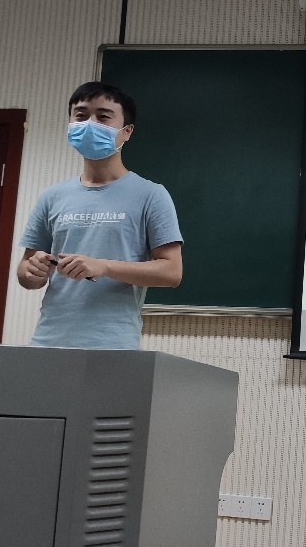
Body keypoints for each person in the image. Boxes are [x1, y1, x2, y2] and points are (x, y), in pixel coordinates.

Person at [16, 82, 182, 349]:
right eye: (81, 116)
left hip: (112, 346)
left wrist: (104, 267)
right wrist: (33, 271)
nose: (90, 124)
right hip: (47, 342)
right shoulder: (52, 196)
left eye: (103, 117)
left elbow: (172, 272)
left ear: (127, 131)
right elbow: (26, 273)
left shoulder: (151, 194)